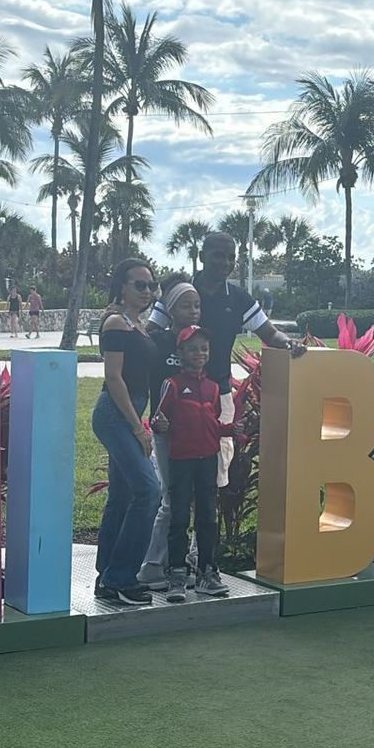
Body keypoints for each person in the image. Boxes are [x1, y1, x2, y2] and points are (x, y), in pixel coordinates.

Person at [148, 231, 306, 488]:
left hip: (217, 395)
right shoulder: (182, 293)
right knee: (174, 481)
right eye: (218, 256)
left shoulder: (238, 298)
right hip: (178, 396)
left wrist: (288, 343)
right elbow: (150, 334)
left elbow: (268, 332)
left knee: (214, 476)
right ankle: (176, 526)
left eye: (231, 258)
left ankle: (206, 527)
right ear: (202, 257)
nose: (225, 263)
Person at [91, 258, 163, 607]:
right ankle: (121, 578)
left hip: (128, 412)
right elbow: (113, 377)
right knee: (149, 492)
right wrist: (139, 427)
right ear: (122, 286)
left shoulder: (137, 324)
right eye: (140, 285)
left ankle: (106, 574)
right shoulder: (117, 323)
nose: (147, 291)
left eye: (151, 285)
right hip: (116, 415)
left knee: (121, 497)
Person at [151, 325, 231, 600]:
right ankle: (176, 575)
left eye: (204, 349)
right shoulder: (172, 384)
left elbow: (213, 423)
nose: (199, 353)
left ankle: (207, 573)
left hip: (207, 458)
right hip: (181, 461)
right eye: (193, 348)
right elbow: (159, 421)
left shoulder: (212, 388)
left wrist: (233, 430)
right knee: (180, 516)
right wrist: (158, 424)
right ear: (180, 352)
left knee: (208, 516)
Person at [137, 278, 201, 588]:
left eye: (197, 305)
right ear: (170, 309)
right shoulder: (158, 341)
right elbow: (132, 343)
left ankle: (184, 562)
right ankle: (150, 566)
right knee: (170, 499)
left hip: (194, 434)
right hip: (165, 433)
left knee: (189, 498)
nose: (193, 311)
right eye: (186, 305)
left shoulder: (199, 343)